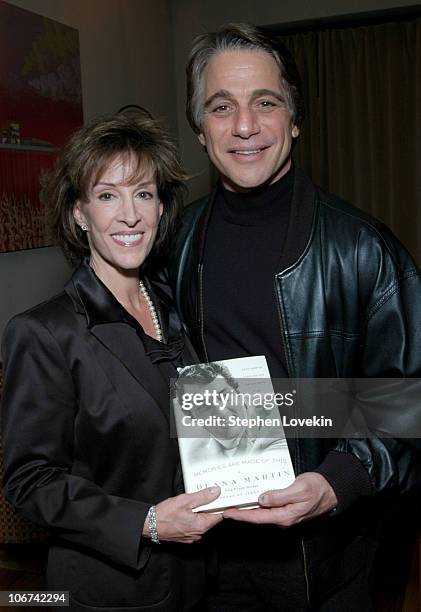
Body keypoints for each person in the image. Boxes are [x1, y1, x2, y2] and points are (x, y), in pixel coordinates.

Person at [170, 22, 421, 610]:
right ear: (201, 132)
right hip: (203, 559)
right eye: (221, 106)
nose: (245, 126)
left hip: (325, 564)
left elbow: (406, 403)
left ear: (295, 119)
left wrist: (336, 484)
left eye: (265, 102)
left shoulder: (365, 249)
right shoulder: (173, 247)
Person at [1, 113, 223, 611]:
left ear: (161, 207)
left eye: (143, 194)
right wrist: (146, 522)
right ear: (80, 213)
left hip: (201, 577)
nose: (129, 215)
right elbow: (30, 481)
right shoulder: (44, 332)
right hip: (114, 589)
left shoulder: (177, 305)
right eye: (107, 195)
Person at [175, 361, 288, 461]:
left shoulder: (275, 425)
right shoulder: (191, 456)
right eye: (204, 406)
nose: (222, 412)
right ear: (192, 417)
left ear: (238, 393)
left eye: (224, 395)